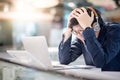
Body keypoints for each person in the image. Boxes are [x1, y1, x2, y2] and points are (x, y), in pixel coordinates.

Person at [58, 7, 120, 71]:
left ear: (96, 26)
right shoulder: (80, 36)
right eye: (75, 31)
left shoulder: (116, 31)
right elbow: (64, 60)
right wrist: (68, 29)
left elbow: (100, 62)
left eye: (81, 30)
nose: (78, 35)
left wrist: (87, 29)